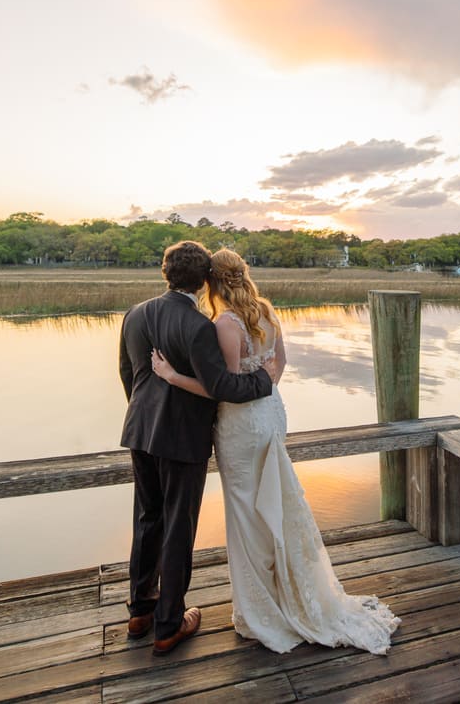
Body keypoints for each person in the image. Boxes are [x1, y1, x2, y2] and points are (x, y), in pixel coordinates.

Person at [151, 248, 401, 655]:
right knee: (274, 502)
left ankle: (262, 608)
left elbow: (225, 390)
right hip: (271, 414)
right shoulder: (266, 312)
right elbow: (279, 364)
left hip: (242, 426)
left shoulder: (225, 324)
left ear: (212, 282)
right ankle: (287, 590)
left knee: (248, 513)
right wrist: (265, 384)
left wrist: (173, 376)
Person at [119, 241, 278, 656]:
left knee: (147, 518)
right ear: (204, 278)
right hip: (182, 438)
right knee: (178, 526)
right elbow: (222, 387)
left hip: (139, 431)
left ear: (165, 272)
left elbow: (127, 374)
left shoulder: (134, 314)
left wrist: (144, 415)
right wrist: (267, 378)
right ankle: (169, 624)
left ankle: (140, 610)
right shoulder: (199, 326)